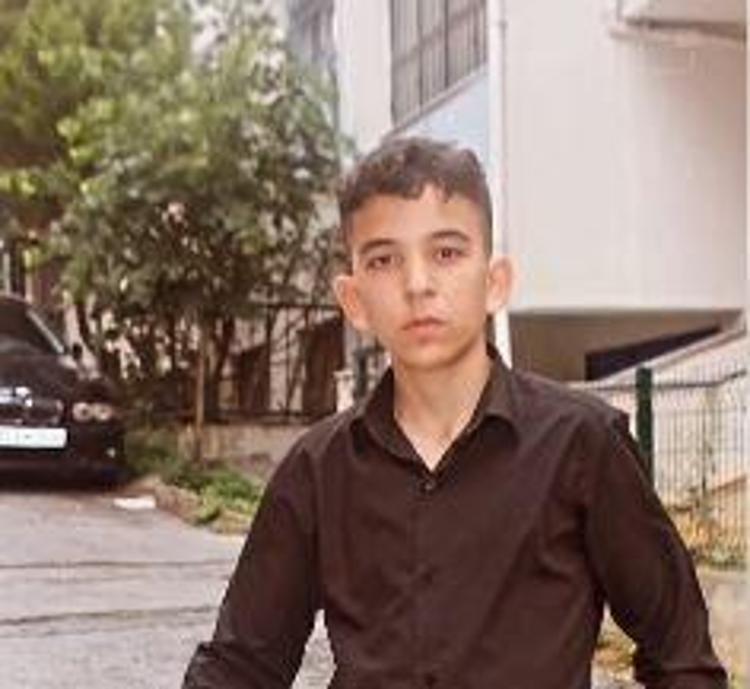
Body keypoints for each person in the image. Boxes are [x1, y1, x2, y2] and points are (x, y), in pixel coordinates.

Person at [182, 137, 727, 689]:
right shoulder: (316, 470)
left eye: (446, 253)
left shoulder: (583, 443)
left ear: (494, 282)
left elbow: (682, 658)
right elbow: (240, 667)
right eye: (384, 260)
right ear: (354, 301)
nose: (417, 284)